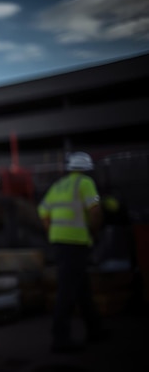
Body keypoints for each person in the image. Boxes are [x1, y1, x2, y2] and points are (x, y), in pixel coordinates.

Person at [38, 151, 104, 353]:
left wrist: (53, 231)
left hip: (60, 242)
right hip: (76, 242)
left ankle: (95, 329)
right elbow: (94, 210)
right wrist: (95, 232)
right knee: (67, 290)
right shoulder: (85, 183)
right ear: (87, 169)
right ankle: (60, 338)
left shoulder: (59, 185)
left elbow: (43, 211)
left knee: (82, 288)